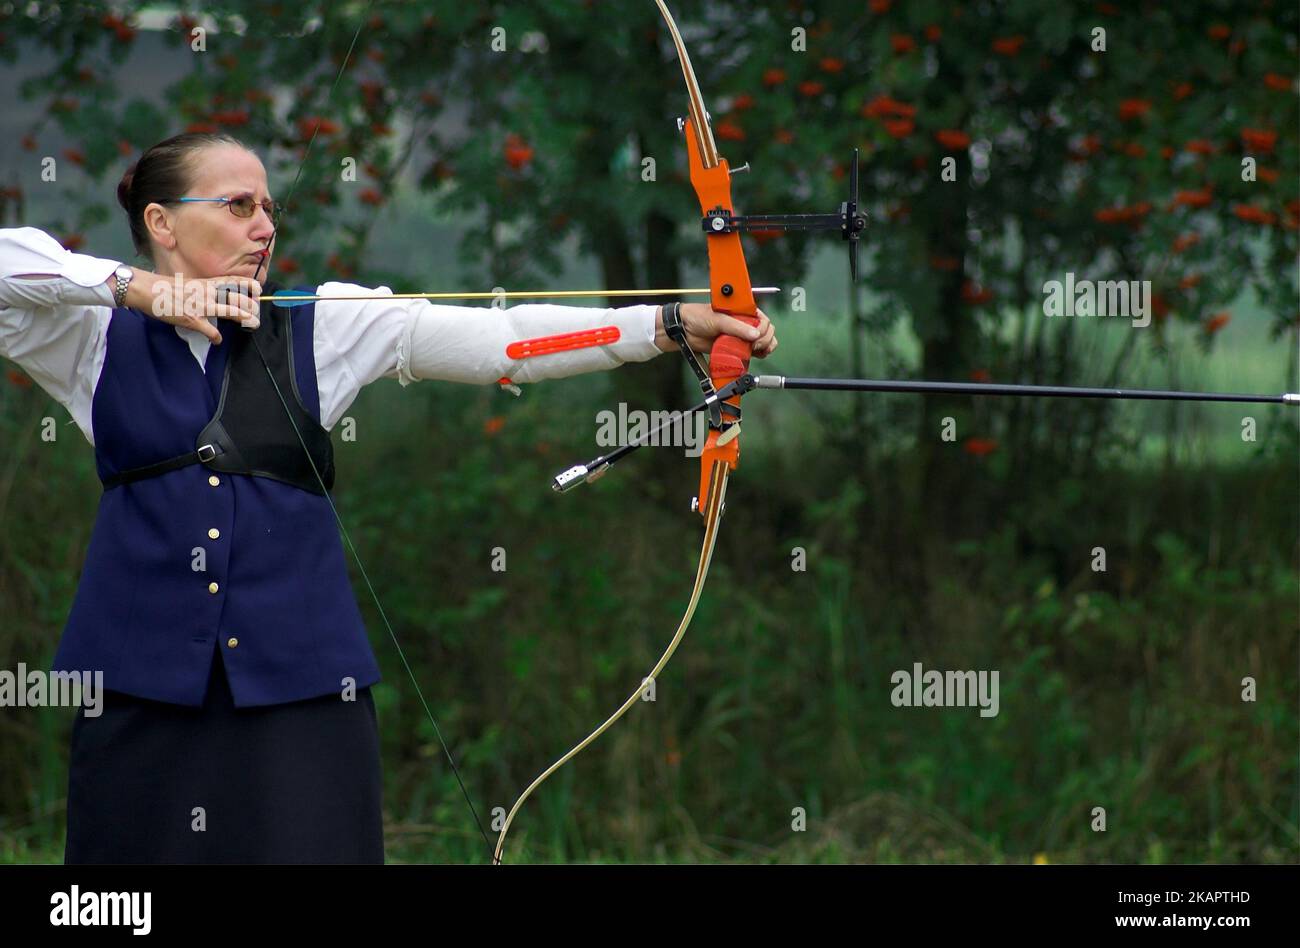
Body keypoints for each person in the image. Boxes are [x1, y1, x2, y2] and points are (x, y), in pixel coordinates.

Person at [0, 131, 776, 863]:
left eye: (269, 207)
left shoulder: (323, 326)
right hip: (142, 692)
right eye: (239, 206)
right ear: (161, 222)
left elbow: (505, 344)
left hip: (301, 694)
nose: (264, 225)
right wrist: (134, 289)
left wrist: (669, 325)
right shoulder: (91, 337)